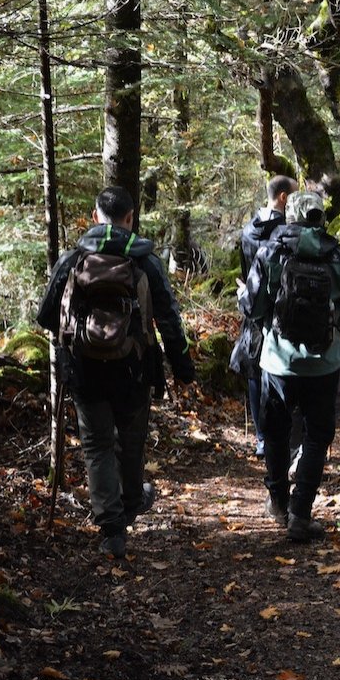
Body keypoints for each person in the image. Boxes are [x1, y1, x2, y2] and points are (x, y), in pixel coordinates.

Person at [38, 186, 195, 559]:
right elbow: (169, 319)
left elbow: (46, 315)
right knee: (131, 439)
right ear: (130, 218)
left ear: (96, 217)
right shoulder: (146, 262)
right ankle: (130, 503)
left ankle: (111, 531)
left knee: (96, 445)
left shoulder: (74, 258)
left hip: (83, 368)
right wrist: (183, 367)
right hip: (134, 368)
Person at [244, 190, 340, 541]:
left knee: (276, 432)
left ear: (292, 216)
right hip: (324, 364)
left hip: (277, 362)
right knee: (317, 437)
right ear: (321, 217)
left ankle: (279, 503)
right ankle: (300, 514)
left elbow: (252, 308)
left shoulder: (271, 252)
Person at [231, 175, 298, 457]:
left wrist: (247, 294)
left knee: (254, 374)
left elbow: (246, 272)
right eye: (294, 194)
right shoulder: (287, 232)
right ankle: (280, 440)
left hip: (252, 309)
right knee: (277, 375)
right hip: (280, 311)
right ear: (283, 197)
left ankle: (261, 437)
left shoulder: (248, 230)